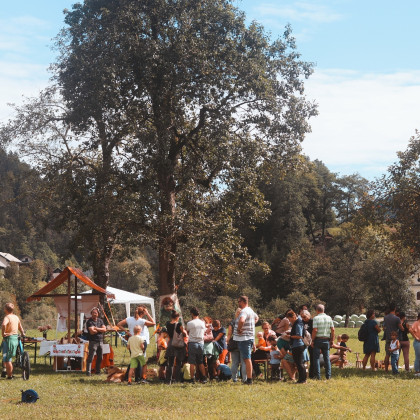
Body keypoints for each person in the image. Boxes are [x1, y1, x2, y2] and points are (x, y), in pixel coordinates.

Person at [117, 305, 155, 382]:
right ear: (142, 313)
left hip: (132, 340)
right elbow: (153, 323)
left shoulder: (129, 319)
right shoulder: (142, 321)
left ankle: (127, 377)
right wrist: (148, 314)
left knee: (133, 359)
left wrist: (127, 332)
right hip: (141, 340)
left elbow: (119, 324)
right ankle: (139, 378)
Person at [233, 295, 258, 385]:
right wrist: (251, 325)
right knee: (246, 359)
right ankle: (249, 379)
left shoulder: (244, 311)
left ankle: (249, 380)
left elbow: (242, 320)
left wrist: (239, 329)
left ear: (243, 302)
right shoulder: (250, 310)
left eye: (239, 301)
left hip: (244, 338)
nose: (238, 303)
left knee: (247, 359)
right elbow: (256, 318)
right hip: (249, 337)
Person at [311, 304, 334, 380]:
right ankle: (328, 376)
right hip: (326, 340)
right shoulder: (329, 318)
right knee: (327, 358)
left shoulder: (316, 318)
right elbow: (333, 329)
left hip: (318, 340)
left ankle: (318, 376)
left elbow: (315, 330)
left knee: (316, 358)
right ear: (323, 310)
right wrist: (332, 339)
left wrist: (312, 340)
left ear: (317, 310)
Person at [1, 303, 24, 379]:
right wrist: (23, 333)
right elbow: (20, 327)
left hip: (8, 339)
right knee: (8, 357)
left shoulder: (7, 317)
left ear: (6, 309)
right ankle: (4, 370)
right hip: (15, 338)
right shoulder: (16, 317)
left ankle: (9, 376)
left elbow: (4, 324)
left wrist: (3, 333)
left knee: (7, 358)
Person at [165, 310, 187, 384]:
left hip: (170, 343)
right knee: (178, 363)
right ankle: (177, 379)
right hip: (177, 344)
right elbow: (184, 333)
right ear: (177, 317)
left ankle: (168, 380)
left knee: (170, 363)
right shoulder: (178, 324)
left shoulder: (167, 323)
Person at [186, 307, 207, 383]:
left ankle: (192, 378)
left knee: (192, 362)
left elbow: (187, 332)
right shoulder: (202, 323)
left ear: (192, 314)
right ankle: (204, 377)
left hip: (192, 343)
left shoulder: (190, 323)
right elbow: (204, 331)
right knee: (200, 362)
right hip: (201, 343)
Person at [86, 307, 107, 376]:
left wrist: (96, 328)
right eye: (93, 313)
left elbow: (104, 329)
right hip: (93, 341)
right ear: (91, 313)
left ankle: (98, 371)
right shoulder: (89, 322)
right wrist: (100, 329)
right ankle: (88, 372)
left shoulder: (100, 321)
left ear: (98, 314)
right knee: (91, 357)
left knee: (100, 357)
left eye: (96, 313)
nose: (95, 314)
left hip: (100, 341)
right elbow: (92, 332)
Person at [287, 309, 307, 384]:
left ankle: (303, 379)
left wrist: (290, 336)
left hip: (298, 345)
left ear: (293, 317)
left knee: (299, 363)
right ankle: (302, 379)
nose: (290, 321)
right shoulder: (297, 322)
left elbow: (299, 336)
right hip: (297, 345)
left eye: (290, 319)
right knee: (299, 363)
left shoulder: (298, 323)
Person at [383, 303, 403, 372]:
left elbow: (384, 327)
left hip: (388, 337)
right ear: (395, 309)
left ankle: (386, 369)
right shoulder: (397, 318)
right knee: (396, 354)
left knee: (387, 354)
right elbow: (401, 328)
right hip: (395, 338)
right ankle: (395, 369)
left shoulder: (385, 317)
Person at [408, 312, 420, 377]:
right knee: (418, 357)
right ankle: (417, 371)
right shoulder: (416, 323)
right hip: (418, 342)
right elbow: (410, 330)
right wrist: (415, 337)